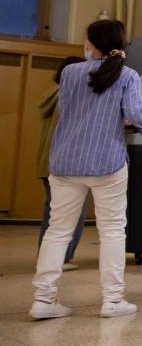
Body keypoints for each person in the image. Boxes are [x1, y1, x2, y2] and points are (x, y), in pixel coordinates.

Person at [30, 20, 142, 320]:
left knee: (58, 231)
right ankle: (113, 300)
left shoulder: (69, 72)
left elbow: (71, 113)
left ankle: (43, 299)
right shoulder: (127, 75)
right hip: (107, 162)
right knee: (112, 231)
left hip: (66, 161)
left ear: (91, 44)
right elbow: (136, 116)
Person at [35, 55, 87, 270]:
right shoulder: (70, 97)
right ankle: (62, 258)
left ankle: (46, 257)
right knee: (72, 213)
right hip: (66, 164)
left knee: (53, 213)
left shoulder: (53, 95)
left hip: (47, 163)